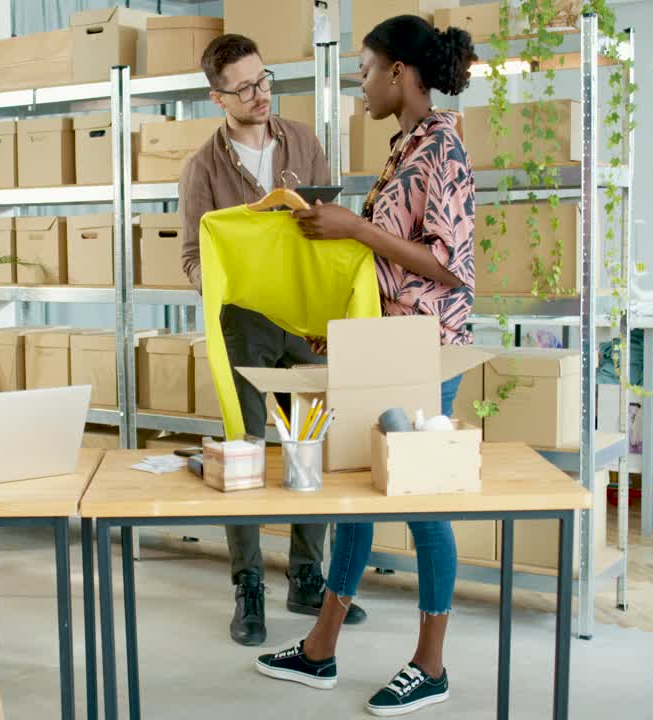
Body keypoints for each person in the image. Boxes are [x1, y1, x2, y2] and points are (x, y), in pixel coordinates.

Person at [253, 15, 478, 717]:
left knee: (418, 502)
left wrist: (354, 226)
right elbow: (387, 259)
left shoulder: (442, 147)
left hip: (424, 349)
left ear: (401, 73)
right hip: (384, 344)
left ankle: (431, 665)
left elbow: (450, 267)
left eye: (367, 68)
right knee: (354, 488)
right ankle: (320, 649)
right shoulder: (402, 147)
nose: (361, 81)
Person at [179, 33, 367, 647]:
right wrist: (231, 269)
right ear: (217, 98)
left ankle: (307, 578)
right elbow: (191, 256)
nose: (260, 96)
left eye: (264, 81)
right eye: (244, 89)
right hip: (243, 325)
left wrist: (329, 310)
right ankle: (248, 586)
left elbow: (330, 234)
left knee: (310, 448)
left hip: (306, 320)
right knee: (244, 452)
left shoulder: (304, 143)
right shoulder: (201, 169)